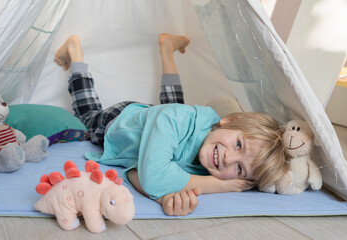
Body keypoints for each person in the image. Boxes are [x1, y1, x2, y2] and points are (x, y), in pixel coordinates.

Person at [54, 34, 289, 216]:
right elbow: (152, 178)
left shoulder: (211, 156)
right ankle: (75, 52)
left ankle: (167, 47)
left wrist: (163, 198)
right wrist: (216, 186)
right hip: (117, 121)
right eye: (238, 144)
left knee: (174, 105)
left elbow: (136, 174)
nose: (229, 159)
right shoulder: (178, 123)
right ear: (230, 119)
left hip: (159, 123)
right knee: (87, 116)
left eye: (239, 170)